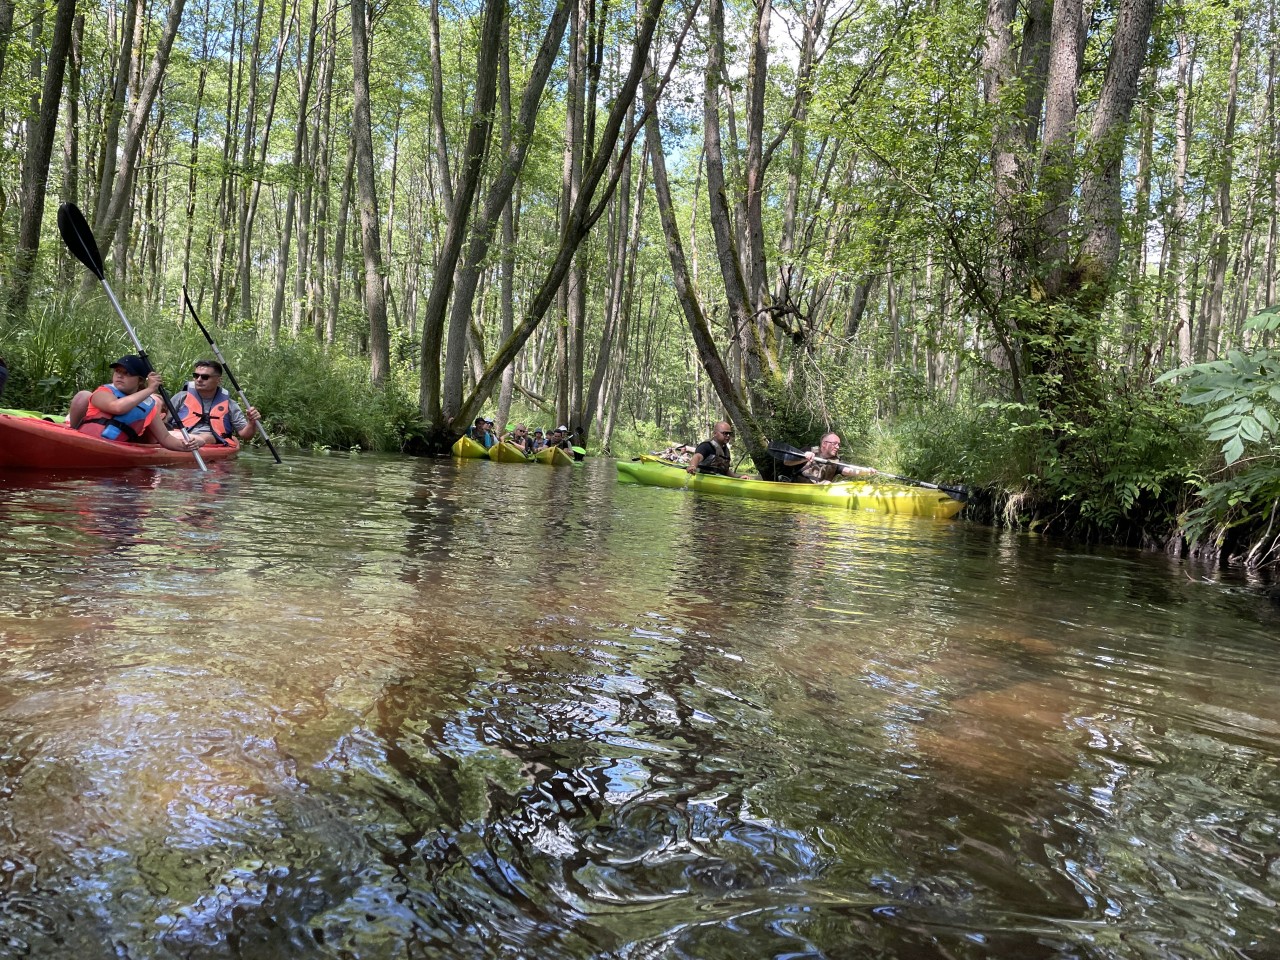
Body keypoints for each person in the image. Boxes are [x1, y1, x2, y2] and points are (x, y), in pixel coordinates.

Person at [67, 355, 200, 451]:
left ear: (140, 380)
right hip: (85, 440)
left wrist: (186, 446)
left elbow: (165, 438)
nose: (120, 376)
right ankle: (71, 433)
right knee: (82, 395)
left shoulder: (148, 407)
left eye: (127, 373)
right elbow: (117, 408)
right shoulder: (104, 391)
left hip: (114, 450)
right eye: (117, 371)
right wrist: (150, 389)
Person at [166, 359, 261, 448]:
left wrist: (251, 422)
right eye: (196, 375)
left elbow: (246, 435)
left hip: (209, 440)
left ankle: (191, 441)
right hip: (178, 435)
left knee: (207, 437)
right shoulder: (181, 397)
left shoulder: (229, 404)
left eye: (205, 377)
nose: (199, 379)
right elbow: (164, 422)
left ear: (218, 380)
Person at [781, 432, 877, 483]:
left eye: (838, 444)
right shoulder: (808, 450)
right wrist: (804, 458)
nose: (837, 447)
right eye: (834, 444)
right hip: (799, 489)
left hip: (820, 492)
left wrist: (866, 471)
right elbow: (786, 462)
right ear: (824, 444)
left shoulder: (836, 461)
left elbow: (848, 471)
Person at [686, 421, 750, 479]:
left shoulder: (725, 450)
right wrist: (692, 466)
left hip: (718, 478)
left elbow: (726, 471)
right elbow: (697, 457)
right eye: (725, 433)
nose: (728, 436)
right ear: (715, 433)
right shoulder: (706, 446)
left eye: (729, 433)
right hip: (703, 477)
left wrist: (739, 477)